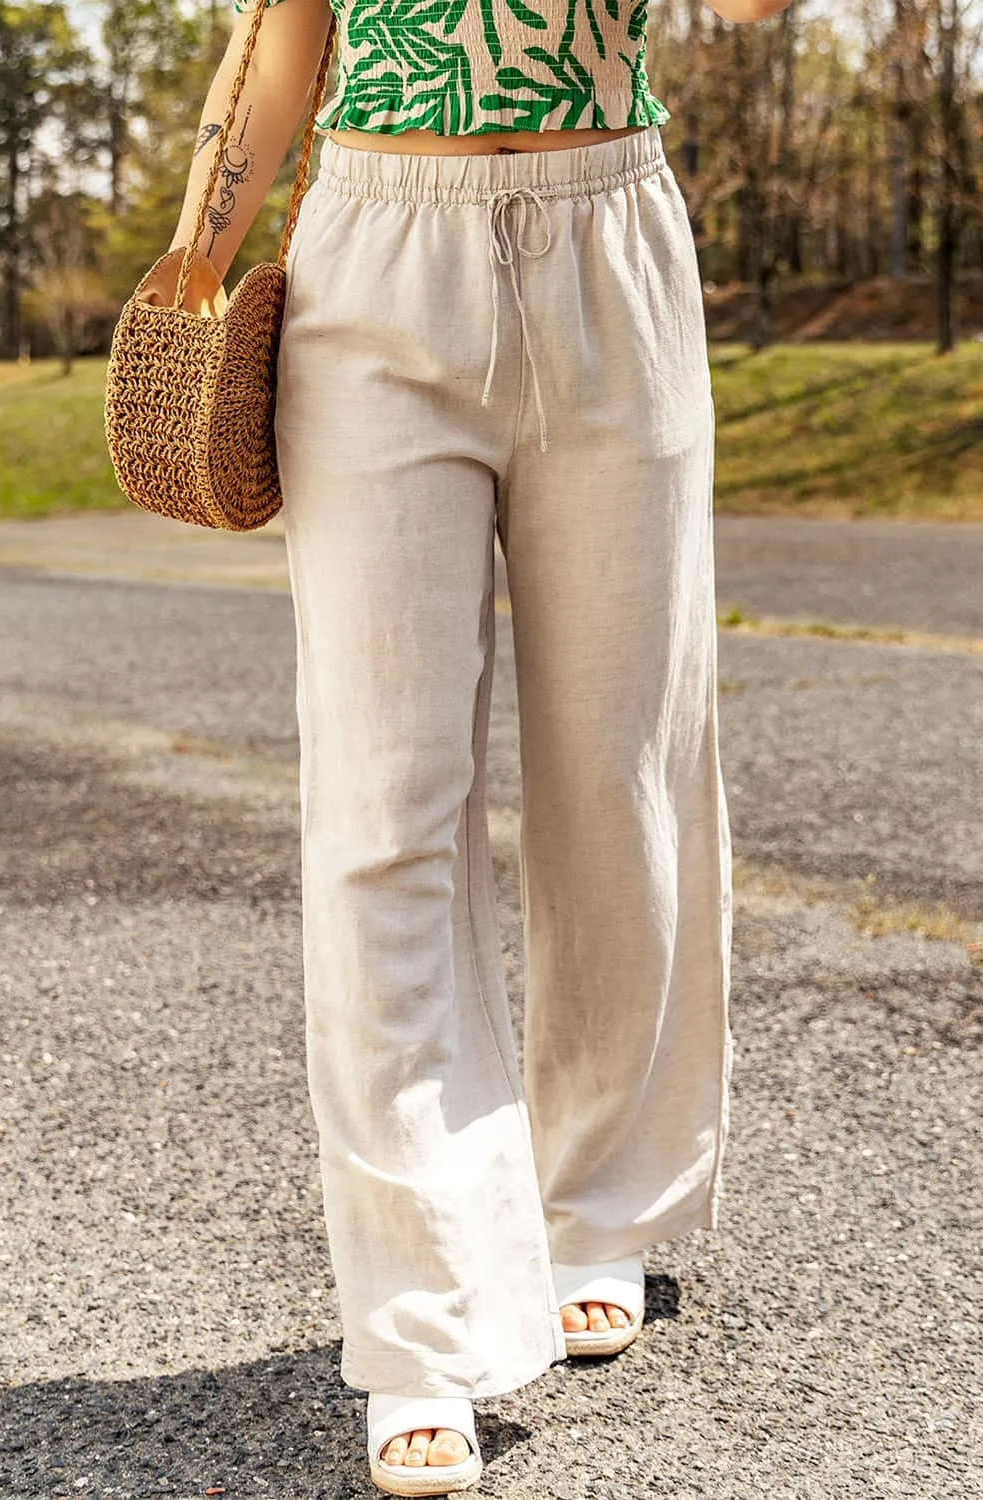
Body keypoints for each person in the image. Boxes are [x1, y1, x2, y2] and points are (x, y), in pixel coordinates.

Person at [168, 0, 788, 1490]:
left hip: (607, 238)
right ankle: (422, 1317)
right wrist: (196, 255)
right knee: (383, 802)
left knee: (616, 771)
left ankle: (605, 1201)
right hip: (376, 252)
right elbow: (284, 28)